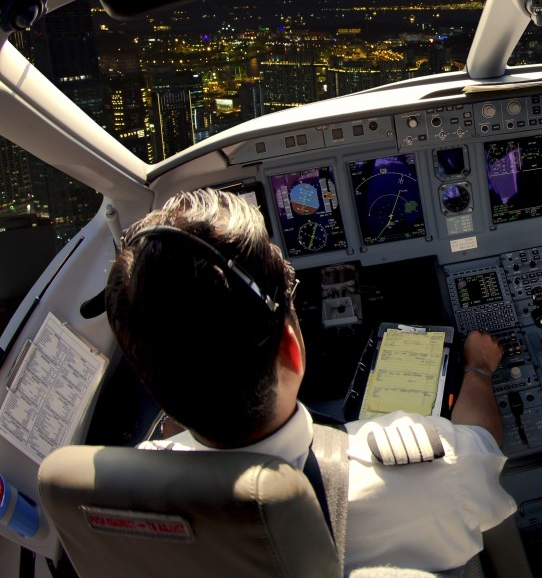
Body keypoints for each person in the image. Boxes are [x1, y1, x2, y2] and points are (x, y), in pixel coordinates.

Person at [105, 188, 517, 572]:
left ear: (150, 380)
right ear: (292, 347)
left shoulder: (123, 509)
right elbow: (481, 441)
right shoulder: (432, 472)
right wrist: (478, 367)